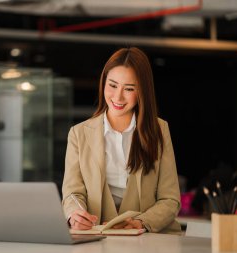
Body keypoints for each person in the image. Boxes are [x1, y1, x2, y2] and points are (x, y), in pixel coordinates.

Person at [62, 47, 181, 234]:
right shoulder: (79, 134)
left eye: (129, 89)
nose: (118, 96)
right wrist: (74, 213)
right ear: (103, 83)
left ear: (142, 91)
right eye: (113, 85)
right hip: (96, 239)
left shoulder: (159, 130)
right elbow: (72, 193)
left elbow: (170, 199)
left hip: (147, 241)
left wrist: (142, 222)